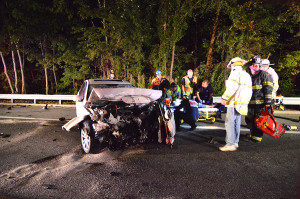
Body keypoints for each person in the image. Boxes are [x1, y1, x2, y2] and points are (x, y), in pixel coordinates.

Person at [219, 57, 252, 152]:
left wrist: (224, 98)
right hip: (241, 103)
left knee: (229, 123)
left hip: (233, 102)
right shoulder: (246, 74)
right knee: (237, 122)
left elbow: (232, 88)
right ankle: (235, 142)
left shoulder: (234, 73)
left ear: (233, 65)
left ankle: (229, 144)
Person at [245, 55, 273, 143]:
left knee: (258, 121)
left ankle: (257, 138)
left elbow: (268, 88)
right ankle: (253, 134)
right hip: (250, 103)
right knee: (249, 120)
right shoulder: (248, 76)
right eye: (254, 64)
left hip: (260, 104)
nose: (256, 66)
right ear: (250, 65)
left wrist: (268, 102)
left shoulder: (264, 75)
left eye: (257, 64)